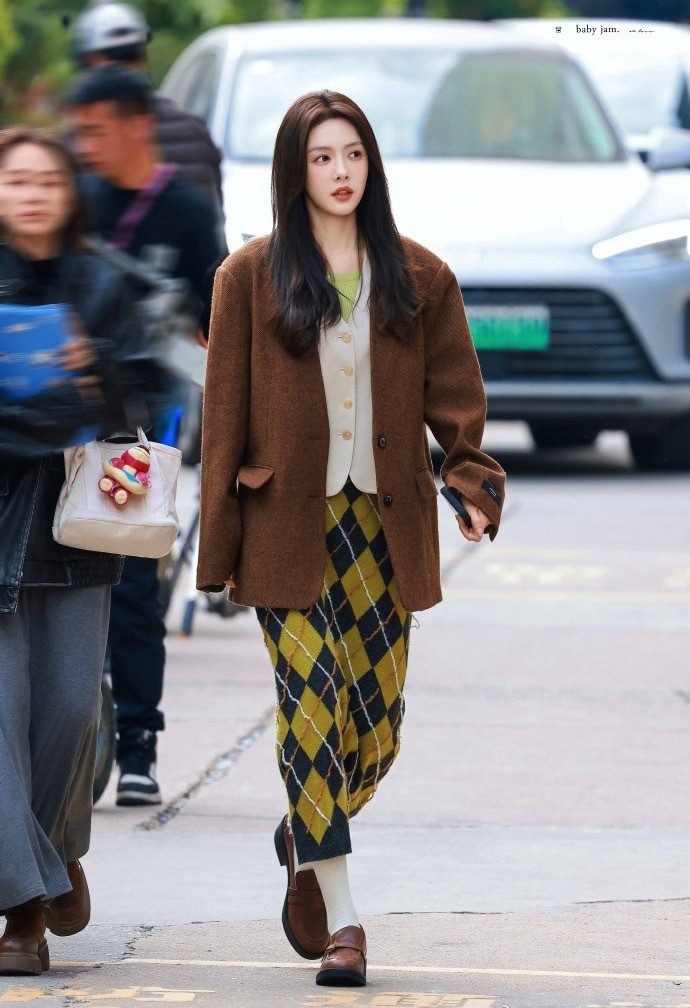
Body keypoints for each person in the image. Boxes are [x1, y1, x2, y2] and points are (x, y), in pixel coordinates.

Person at [197, 91, 506, 988]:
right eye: (322, 157)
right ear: (294, 171)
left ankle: (306, 830)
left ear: (372, 164)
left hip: (382, 525)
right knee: (311, 702)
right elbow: (223, 422)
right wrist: (219, 546)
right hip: (281, 527)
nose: (341, 172)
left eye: (354, 154)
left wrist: (471, 484)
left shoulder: (420, 275)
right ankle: (345, 920)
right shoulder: (247, 276)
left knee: (375, 731)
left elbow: (458, 400)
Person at [0, 127, 157, 975]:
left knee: (68, 714)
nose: (30, 194)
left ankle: (55, 856)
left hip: (78, 532)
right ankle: (24, 912)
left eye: (46, 180)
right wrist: (55, 408)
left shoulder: (103, 284)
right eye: (15, 180)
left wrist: (89, 374)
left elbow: (142, 399)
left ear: (68, 195)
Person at [66, 64, 226, 807]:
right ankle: (75, 740)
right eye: (79, 132)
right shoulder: (78, 199)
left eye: (97, 130)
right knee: (63, 582)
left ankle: (138, 745)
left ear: (137, 126)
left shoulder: (186, 213)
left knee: (132, 583)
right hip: (67, 422)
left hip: (139, 428)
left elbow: (215, 318)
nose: (86, 145)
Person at [69, 0, 225, 228]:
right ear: (142, 57)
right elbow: (214, 220)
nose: (88, 147)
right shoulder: (192, 128)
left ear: (92, 61)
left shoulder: (78, 138)